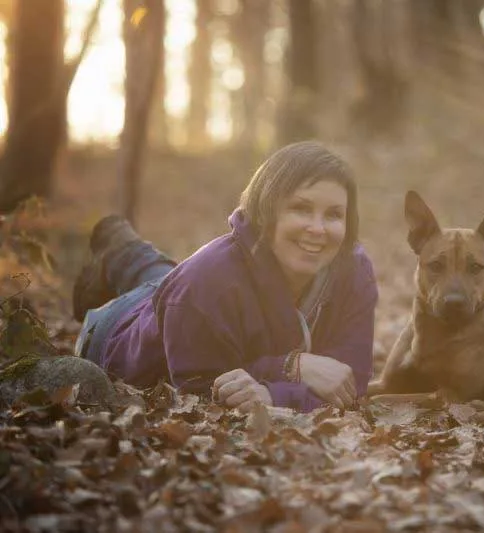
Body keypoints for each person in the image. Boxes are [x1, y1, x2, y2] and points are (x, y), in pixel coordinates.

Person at [72, 141, 378, 412]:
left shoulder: (354, 269)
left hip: (177, 296)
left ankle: (123, 248)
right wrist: (290, 369)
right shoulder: (202, 287)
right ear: (267, 210)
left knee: (165, 277)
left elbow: (350, 383)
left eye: (334, 214)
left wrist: (274, 394)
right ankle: (119, 250)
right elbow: (201, 394)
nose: (318, 229)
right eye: (301, 208)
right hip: (115, 333)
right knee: (179, 284)